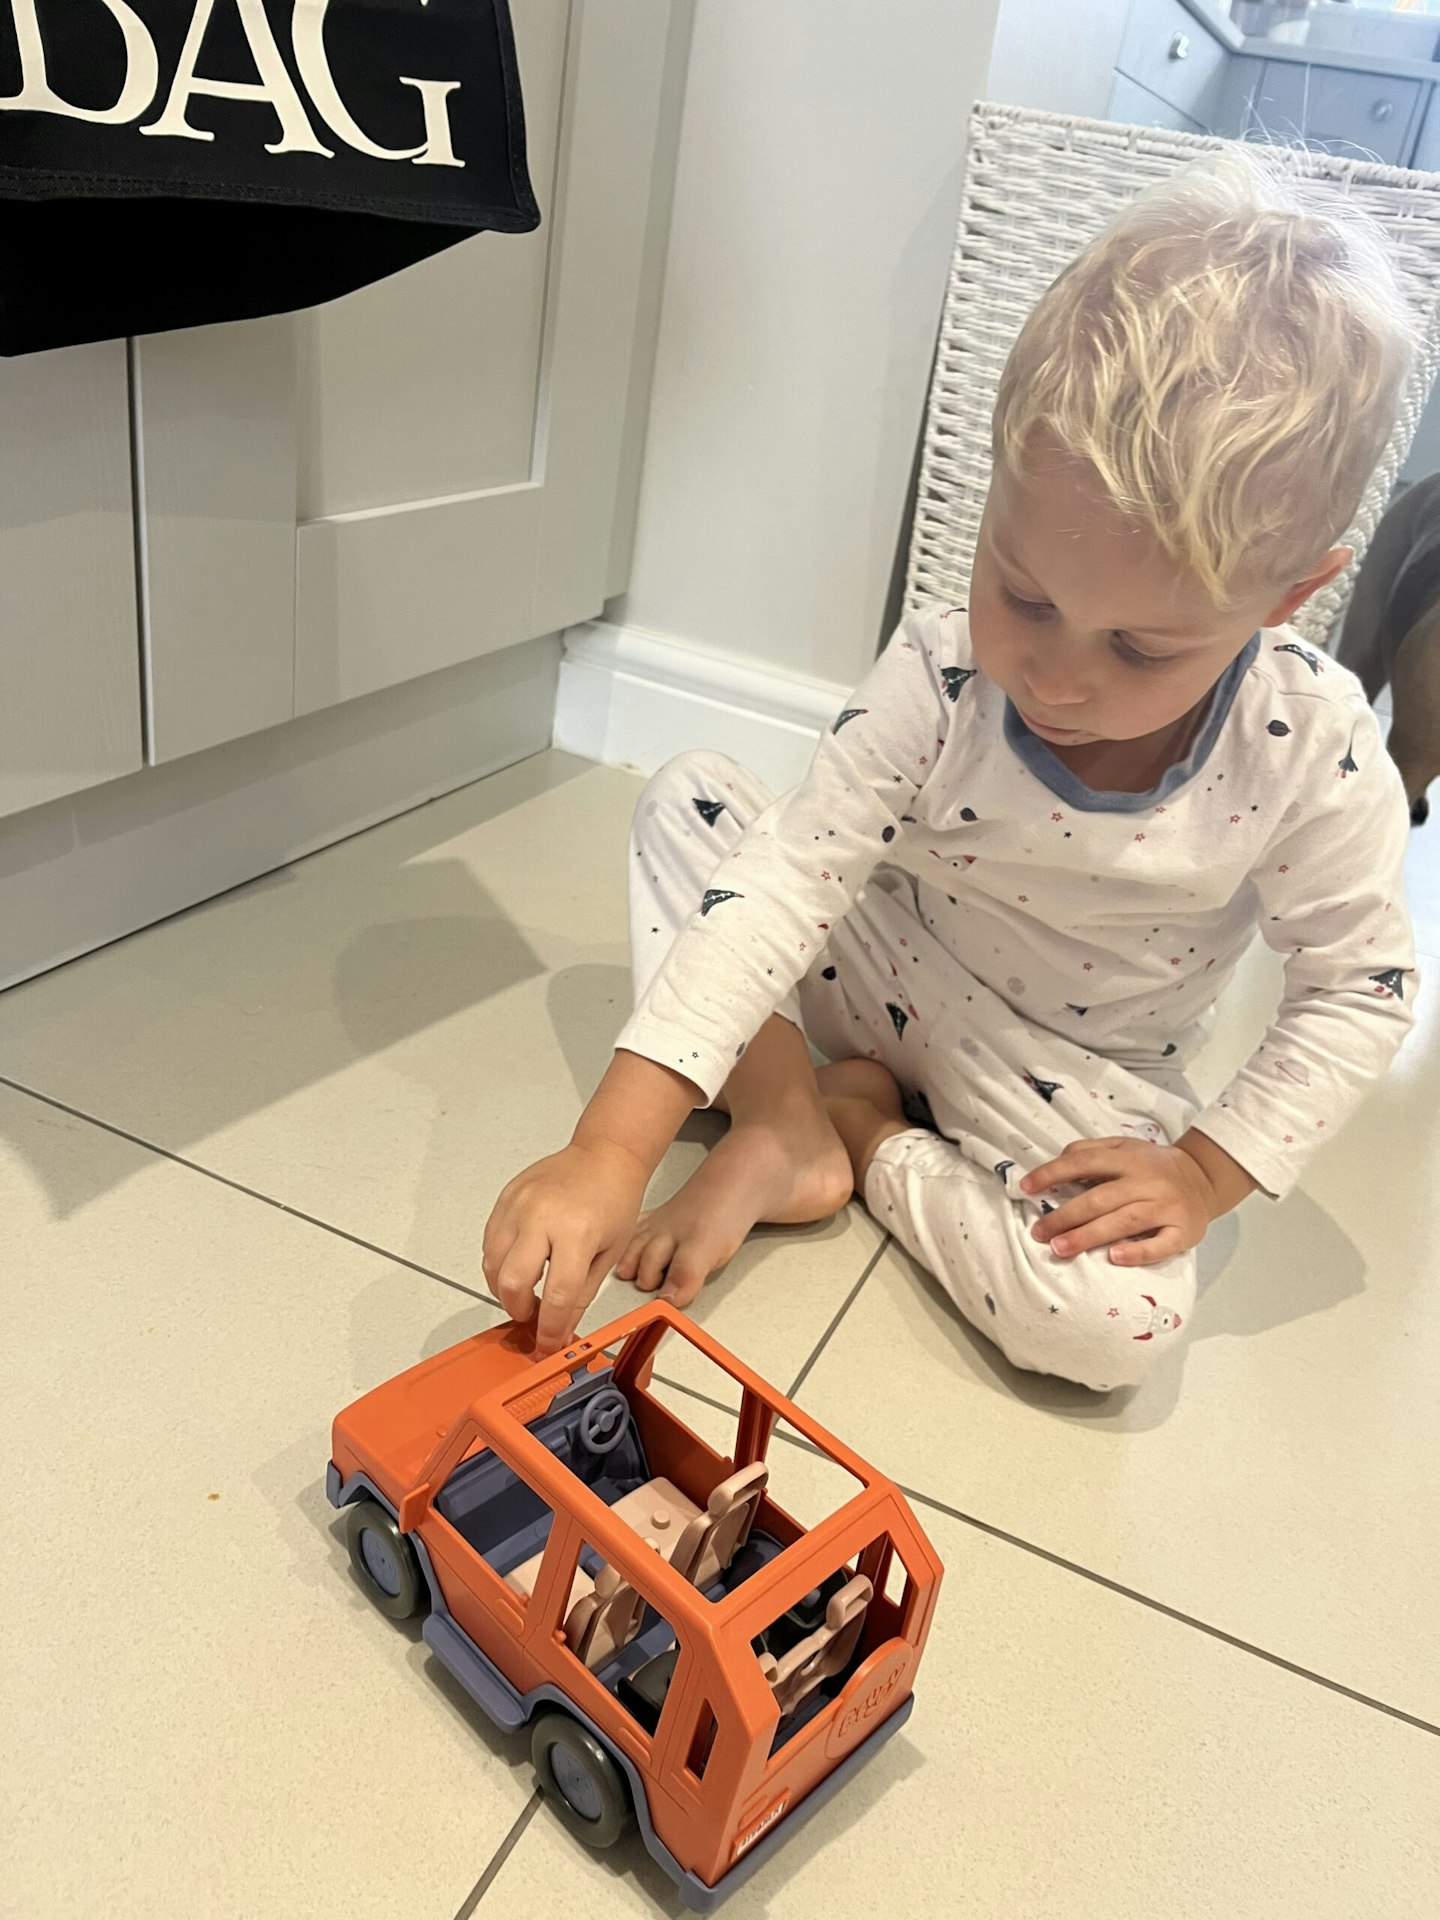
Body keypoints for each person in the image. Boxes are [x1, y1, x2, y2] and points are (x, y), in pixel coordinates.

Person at [483, 150, 1420, 1392]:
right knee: (694, 798)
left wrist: (1204, 1172)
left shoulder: (1316, 745)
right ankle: (780, 1121)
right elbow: (789, 880)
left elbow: (1359, 990)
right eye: (1021, 591)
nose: (1058, 676)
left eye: (1143, 646)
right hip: (880, 965)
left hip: (1073, 1071)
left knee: (1118, 1327)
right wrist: (608, 1148)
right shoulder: (940, 670)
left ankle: (857, 1137)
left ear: (1290, 597)